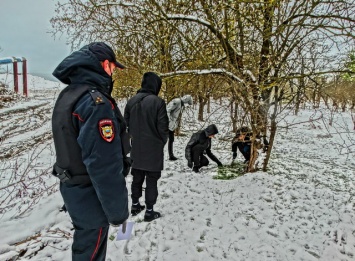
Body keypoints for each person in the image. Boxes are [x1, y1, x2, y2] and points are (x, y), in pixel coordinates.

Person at [51, 42, 129, 261]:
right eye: (113, 67)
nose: (113, 73)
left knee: (85, 249)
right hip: (90, 195)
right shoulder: (95, 103)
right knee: (91, 253)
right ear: (105, 64)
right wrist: (118, 213)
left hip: (74, 189)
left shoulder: (70, 95)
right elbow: (104, 163)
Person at [124, 72, 169, 222]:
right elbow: (163, 129)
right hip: (153, 149)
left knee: (136, 178)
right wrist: (160, 143)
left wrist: (135, 140)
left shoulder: (131, 102)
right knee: (151, 180)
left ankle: (135, 205)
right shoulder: (158, 102)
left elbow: (127, 126)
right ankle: (149, 211)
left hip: (136, 148)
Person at [166, 95, 193, 160]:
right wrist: (168, 120)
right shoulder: (177, 101)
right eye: (187, 102)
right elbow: (167, 110)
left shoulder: (181, 104)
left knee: (171, 139)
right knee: (162, 140)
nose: (186, 104)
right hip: (167, 123)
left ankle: (171, 155)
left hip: (171, 125)